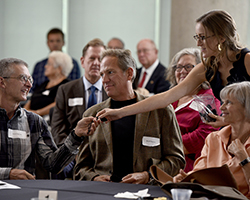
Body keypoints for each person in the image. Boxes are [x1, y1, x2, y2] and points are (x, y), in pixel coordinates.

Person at [97, 10, 250, 129]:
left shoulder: (247, 60)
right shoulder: (207, 67)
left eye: (203, 37)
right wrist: (120, 112)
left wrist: (229, 120)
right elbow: (166, 97)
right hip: (236, 133)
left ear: (221, 37)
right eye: (197, 37)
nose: (198, 44)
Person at [73, 49, 185, 184]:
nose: (104, 80)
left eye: (110, 72)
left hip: (145, 192)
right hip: (103, 192)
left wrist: (148, 175)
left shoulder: (160, 111)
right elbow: (81, 167)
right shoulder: (92, 114)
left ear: (129, 73)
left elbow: (176, 160)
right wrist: (94, 178)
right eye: (102, 74)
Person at [0, 58, 99, 180]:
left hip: (22, 193)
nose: (29, 84)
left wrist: (76, 135)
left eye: (30, 79)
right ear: (2, 82)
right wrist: (7, 174)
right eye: (23, 78)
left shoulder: (34, 122)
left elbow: (53, 164)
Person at [173, 81, 250, 198]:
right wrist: (187, 178)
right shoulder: (214, 138)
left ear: (246, 108)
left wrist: (244, 159)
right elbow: (199, 173)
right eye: (223, 102)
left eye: (229, 103)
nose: (222, 107)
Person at [51, 38, 108, 179]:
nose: (96, 63)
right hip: (73, 150)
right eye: (92, 58)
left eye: (100, 59)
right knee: (58, 167)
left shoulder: (112, 90)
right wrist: (71, 151)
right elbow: (57, 128)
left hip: (105, 153)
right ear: (82, 61)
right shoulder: (66, 90)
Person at [166, 47, 221, 172]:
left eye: (188, 67)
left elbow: (205, 134)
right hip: (164, 160)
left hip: (188, 165)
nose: (182, 71)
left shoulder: (207, 98)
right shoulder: (171, 96)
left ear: (201, 70)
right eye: (178, 67)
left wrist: (168, 145)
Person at [24, 51, 73, 118]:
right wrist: (25, 112)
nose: (45, 66)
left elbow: (58, 104)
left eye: (49, 64)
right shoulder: (44, 83)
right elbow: (32, 99)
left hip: (47, 121)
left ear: (59, 69)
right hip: (31, 118)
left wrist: (37, 113)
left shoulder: (66, 85)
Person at [31, 28, 81, 93]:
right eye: (51, 41)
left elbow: (75, 88)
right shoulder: (39, 66)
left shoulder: (72, 64)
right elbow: (32, 88)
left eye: (58, 41)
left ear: (63, 43)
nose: (55, 44)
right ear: (47, 43)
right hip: (38, 100)